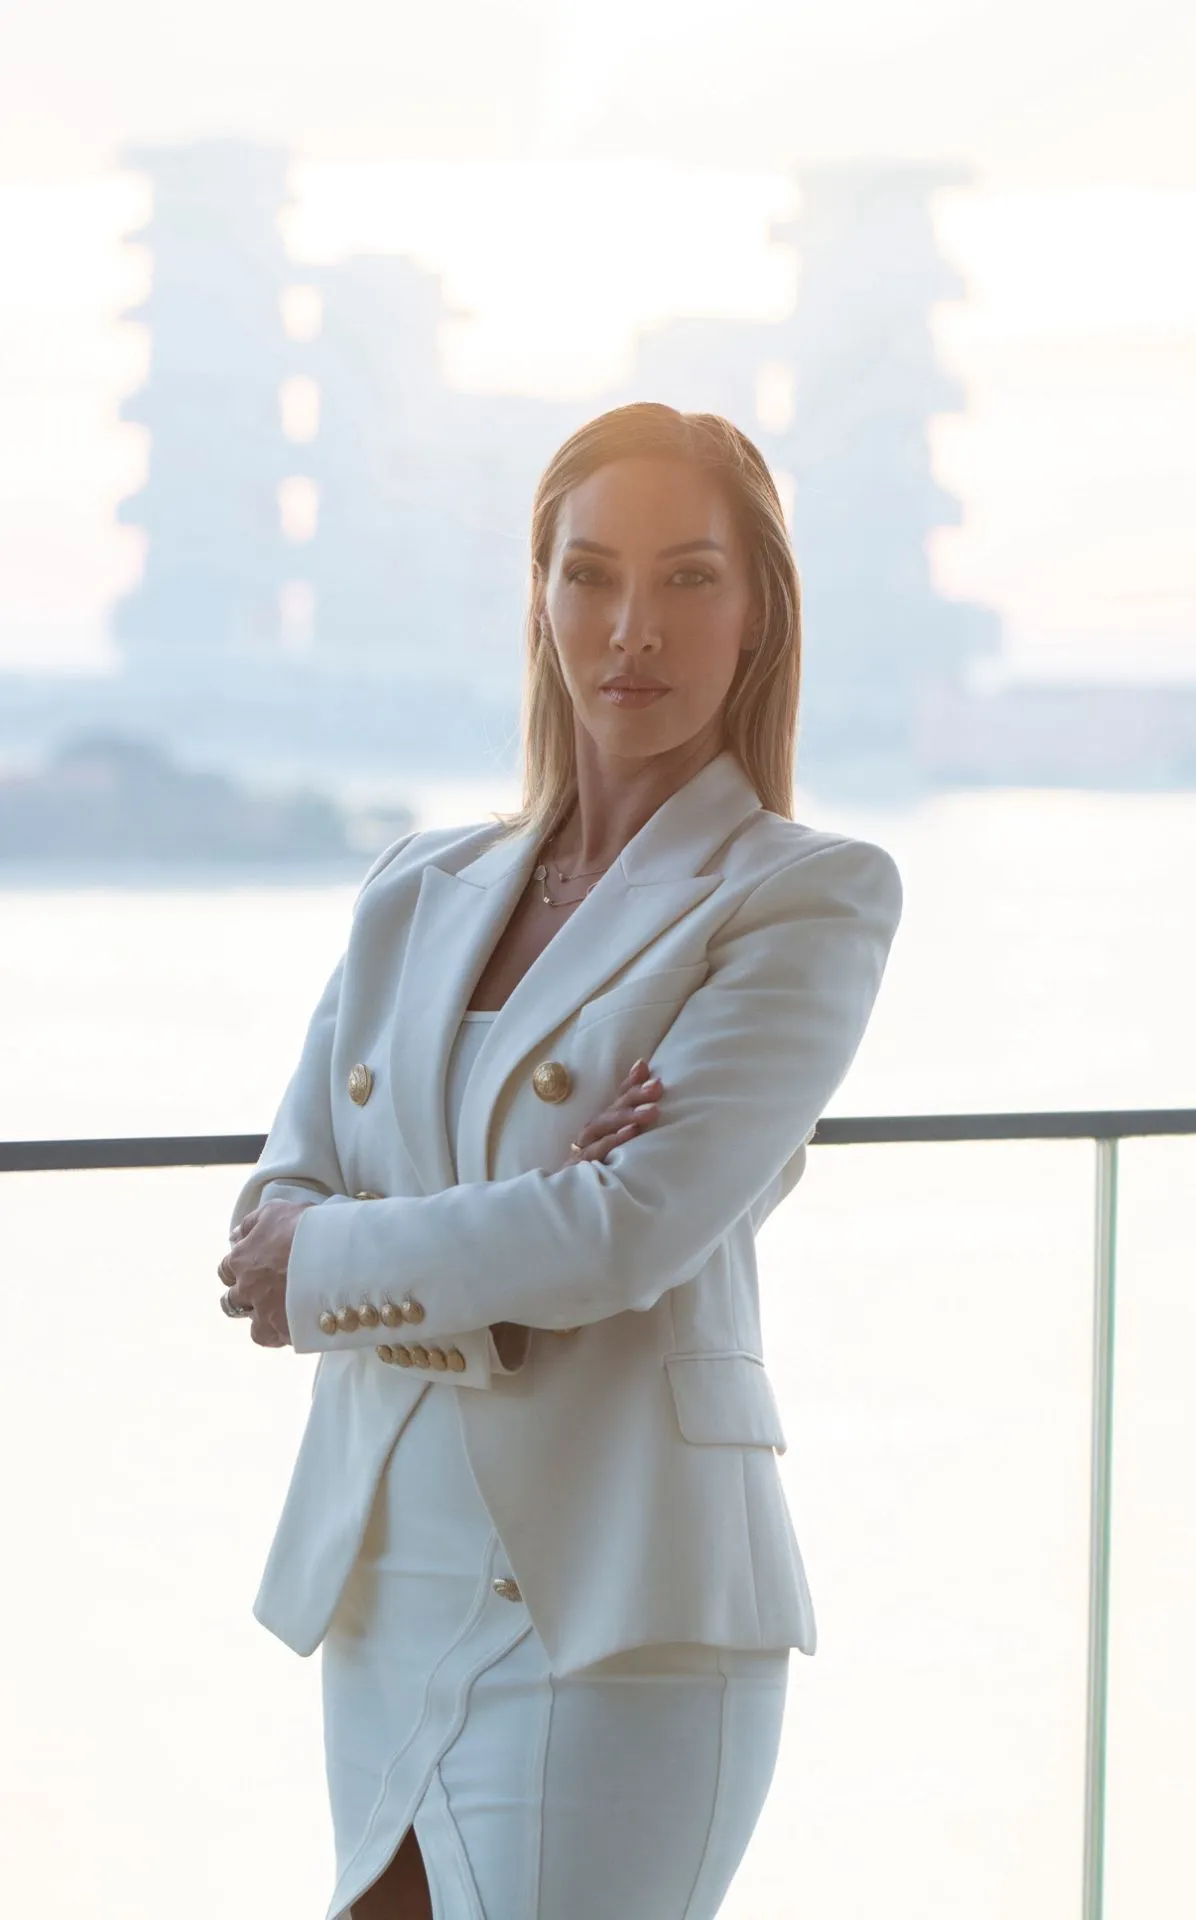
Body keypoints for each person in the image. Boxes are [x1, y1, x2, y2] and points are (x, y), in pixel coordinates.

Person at [219, 401, 903, 1920]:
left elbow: (620, 1236)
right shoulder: (415, 886)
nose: (631, 628)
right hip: (387, 1574)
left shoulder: (804, 896)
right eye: (590, 575)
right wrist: (512, 1241)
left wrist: (380, 1255)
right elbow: (276, 1206)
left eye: (688, 578)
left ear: (759, 611)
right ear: (540, 596)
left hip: (622, 1602)